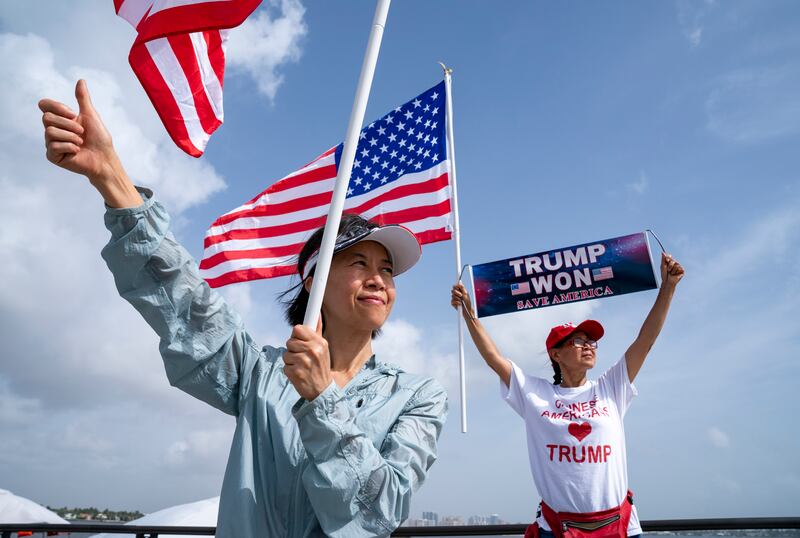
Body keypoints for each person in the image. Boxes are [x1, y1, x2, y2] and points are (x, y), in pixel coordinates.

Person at [39, 80, 448, 538]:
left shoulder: (419, 396)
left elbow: (382, 510)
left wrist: (321, 400)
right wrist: (110, 175)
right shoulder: (259, 373)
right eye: (358, 262)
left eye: (388, 270)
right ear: (313, 281)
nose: (379, 279)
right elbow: (185, 302)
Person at [451, 252, 684, 538]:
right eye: (578, 341)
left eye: (591, 342)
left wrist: (668, 286)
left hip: (619, 527)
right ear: (555, 353)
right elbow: (492, 357)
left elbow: (646, 339)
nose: (588, 346)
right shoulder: (534, 393)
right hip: (557, 529)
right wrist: (468, 311)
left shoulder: (611, 387)